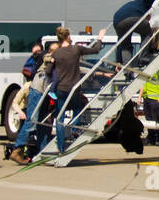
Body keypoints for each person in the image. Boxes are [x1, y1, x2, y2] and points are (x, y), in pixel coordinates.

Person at [39, 26, 106, 154]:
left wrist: (53, 64)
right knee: (78, 109)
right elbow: (96, 50)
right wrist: (100, 38)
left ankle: (61, 147)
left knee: (60, 117)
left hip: (60, 89)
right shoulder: (76, 49)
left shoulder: (56, 53)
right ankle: (74, 127)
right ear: (68, 37)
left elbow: (47, 71)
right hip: (73, 89)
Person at [10, 43, 57, 164]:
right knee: (31, 121)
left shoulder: (57, 59)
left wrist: (100, 73)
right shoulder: (48, 58)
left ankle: (42, 152)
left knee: (42, 122)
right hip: (37, 91)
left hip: (43, 93)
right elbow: (46, 58)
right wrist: (52, 57)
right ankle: (17, 150)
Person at [141, 65, 159, 146]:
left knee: (157, 120)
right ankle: (151, 139)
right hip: (147, 97)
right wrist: (139, 97)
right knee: (148, 119)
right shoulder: (145, 71)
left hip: (156, 99)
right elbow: (142, 84)